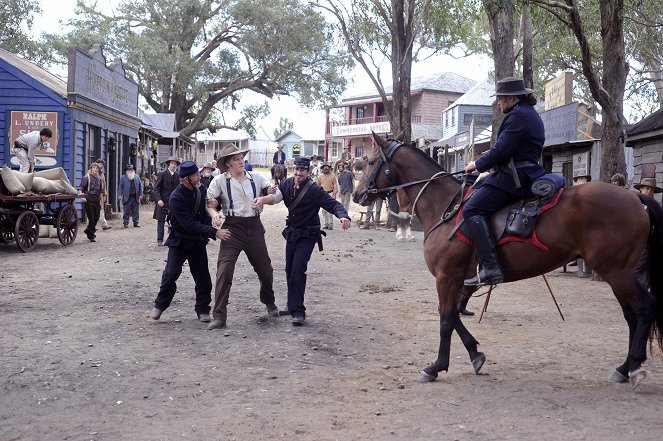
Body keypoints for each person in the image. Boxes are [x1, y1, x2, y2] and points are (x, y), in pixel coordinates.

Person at [463, 77, 546, 286]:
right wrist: (489, 172)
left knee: (471, 209)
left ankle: (490, 267)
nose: (498, 103)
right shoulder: (527, 114)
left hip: (516, 178)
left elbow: (501, 150)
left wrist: (477, 164)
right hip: (520, 171)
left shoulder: (518, 116)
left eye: (500, 99)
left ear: (511, 98)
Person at [253, 156, 351, 326]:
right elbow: (275, 197)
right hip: (292, 233)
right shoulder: (286, 184)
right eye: (296, 170)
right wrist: (262, 200)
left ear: (308, 171)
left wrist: (343, 216)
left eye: (302, 170)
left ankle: (299, 311)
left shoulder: (314, 190)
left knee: (298, 268)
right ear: (293, 170)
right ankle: (291, 306)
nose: (298, 173)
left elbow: (332, 204)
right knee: (289, 269)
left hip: (309, 235)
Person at [205, 143, 280, 330]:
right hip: (232, 227)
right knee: (224, 270)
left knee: (265, 269)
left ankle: (269, 302)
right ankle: (219, 316)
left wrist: (266, 196)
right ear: (228, 164)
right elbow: (210, 203)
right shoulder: (219, 181)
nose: (241, 161)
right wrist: (215, 215)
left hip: (254, 227)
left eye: (242, 158)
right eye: (236, 159)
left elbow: (274, 193)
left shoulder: (256, 178)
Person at [150, 161, 230, 323]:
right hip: (179, 241)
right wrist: (215, 232)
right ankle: (160, 305)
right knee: (170, 274)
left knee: (203, 278)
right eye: (195, 175)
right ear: (185, 179)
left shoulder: (200, 189)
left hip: (197, 242)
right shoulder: (176, 197)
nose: (198, 176)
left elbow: (209, 204)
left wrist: (217, 206)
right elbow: (189, 224)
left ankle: (203, 310)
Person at [153, 155, 180, 246]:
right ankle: (160, 240)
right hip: (162, 202)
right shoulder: (162, 174)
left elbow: (178, 190)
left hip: (172, 203)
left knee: (173, 221)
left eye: (175, 164)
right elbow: (156, 188)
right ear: (168, 164)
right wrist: (159, 200)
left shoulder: (177, 176)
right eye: (172, 163)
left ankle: (170, 239)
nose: (173, 165)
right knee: (161, 221)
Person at [78, 162, 103, 242]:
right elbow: (80, 188)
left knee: (97, 217)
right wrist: (82, 196)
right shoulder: (86, 178)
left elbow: (100, 192)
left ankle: (88, 230)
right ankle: (91, 235)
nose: (95, 169)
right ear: (91, 169)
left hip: (96, 200)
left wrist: (101, 202)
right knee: (91, 218)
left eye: (97, 168)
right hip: (88, 199)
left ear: (99, 170)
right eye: (94, 168)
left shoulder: (99, 179)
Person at [118, 163, 143, 227]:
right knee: (126, 210)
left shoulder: (137, 177)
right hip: (127, 197)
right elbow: (120, 187)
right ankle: (125, 223)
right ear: (126, 170)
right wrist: (119, 195)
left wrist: (141, 194)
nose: (130, 171)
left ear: (133, 170)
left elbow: (140, 186)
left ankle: (136, 222)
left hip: (135, 196)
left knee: (136, 211)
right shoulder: (123, 178)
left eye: (131, 169)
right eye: (129, 169)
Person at [316, 162, 338, 230]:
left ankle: (331, 224)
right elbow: (317, 185)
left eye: (327, 167)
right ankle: (326, 224)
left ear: (329, 168)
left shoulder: (333, 176)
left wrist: (334, 194)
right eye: (324, 168)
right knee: (324, 210)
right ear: (322, 169)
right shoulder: (320, 176)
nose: (326, 169)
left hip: (330, 193)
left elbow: (335, 185)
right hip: (323, 194)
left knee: (330, 209)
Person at [94, 158, 112, 231]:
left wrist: (105, 194)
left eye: (102, 164)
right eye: (99, 164)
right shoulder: (91, 173)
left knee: (101, 209)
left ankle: (104, 225)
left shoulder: (102, 175)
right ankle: (91, 226)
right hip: (93, 194)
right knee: (91, 211)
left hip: (100, 194)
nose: (101, 165)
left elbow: (104, 185)